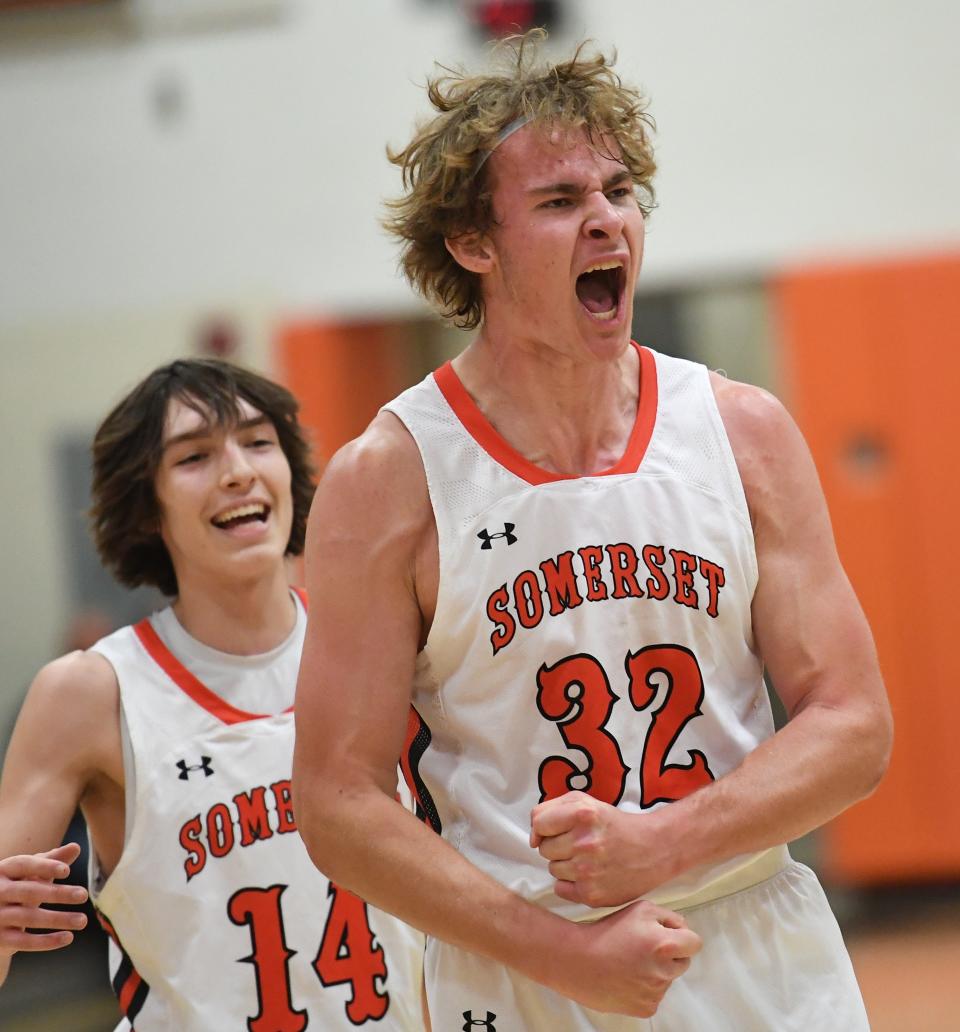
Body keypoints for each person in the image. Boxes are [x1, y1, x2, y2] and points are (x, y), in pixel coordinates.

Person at [291, 32, 893, 1030]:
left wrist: (666, 846)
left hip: (749, 942)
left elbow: (855, 728)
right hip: (527, 969)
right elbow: (338, 805)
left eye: (618, 191)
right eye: (561, 202)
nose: (607, 220)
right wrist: (566, 954)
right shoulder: (389, 478)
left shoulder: (741, 431)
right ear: (472, 244)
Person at [0, 359, 425, 1030]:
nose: (238, 471)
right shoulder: (90, 694)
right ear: (146, 510)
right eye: (194, 456)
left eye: (258, 443)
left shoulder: (389, 643)